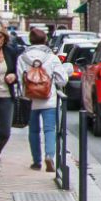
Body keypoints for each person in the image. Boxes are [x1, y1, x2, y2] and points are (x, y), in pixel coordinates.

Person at [17, 27, 68, 172]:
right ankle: (50, 156)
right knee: (49, 129)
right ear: (45, 40)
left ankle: (36, 162)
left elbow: (21, 79)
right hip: (49, 99)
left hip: (30, 100)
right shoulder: (51, 57)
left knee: (33, 131)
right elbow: (62, 79)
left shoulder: (22, 57)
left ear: (30, 40)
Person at [0, 28, 23, 172]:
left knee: (5, 132)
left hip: (6, 96)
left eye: (1, 37)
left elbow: (17, 71)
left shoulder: (10, 52)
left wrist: (13, 76)